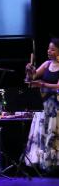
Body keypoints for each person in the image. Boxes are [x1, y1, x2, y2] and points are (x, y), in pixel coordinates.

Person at [25, 38, 59, 174]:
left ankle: (54, 165)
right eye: (48, 48)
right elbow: (30, 79)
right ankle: (43, 164)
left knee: (53, 135)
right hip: (43, 105)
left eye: (52, 49)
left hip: (55, 106)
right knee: (42, 134)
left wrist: (42, 85)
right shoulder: (46, 64)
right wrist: (29, 71)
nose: (49, 51)